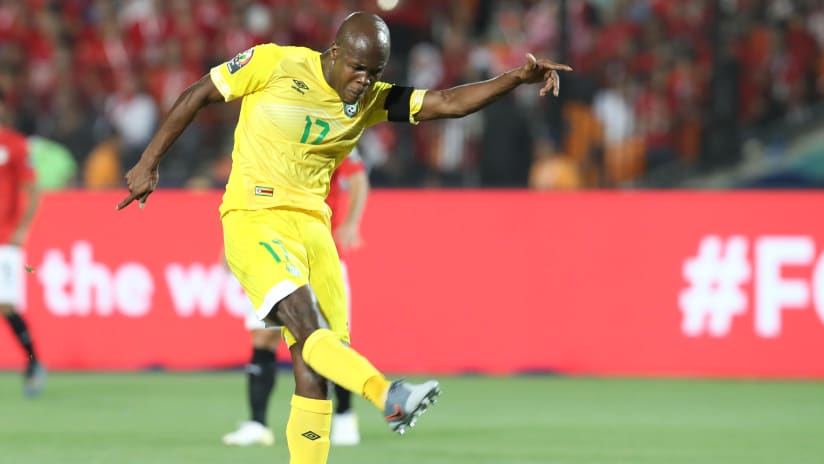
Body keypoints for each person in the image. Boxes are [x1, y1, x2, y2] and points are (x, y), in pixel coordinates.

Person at [117, 11, 571, 464]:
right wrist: (149, 163)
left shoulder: (371, 99)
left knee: (317, 365)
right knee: (305, 324)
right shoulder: (274, 63)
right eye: (357, 68)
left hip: (316, 232)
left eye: (374, 72)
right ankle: (387, 395)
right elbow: (198, 94)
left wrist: (516, 77)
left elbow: (448, 102)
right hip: (255, 217)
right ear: (334, 54)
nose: (363, 81)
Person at [223, 150, 369, 447]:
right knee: (263, 336)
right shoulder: (264, 137)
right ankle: (258, 424)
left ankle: (343, 416)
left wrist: (352, 222)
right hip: (271, 255)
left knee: (330, 338)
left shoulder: (326, 129)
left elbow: (357, 178)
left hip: (319, 255)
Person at [0, 95, 46, 398]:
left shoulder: (14, 144)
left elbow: (33, 188)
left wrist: (22, 228)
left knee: (5, 305)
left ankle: (33, 363)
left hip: (5, 238)